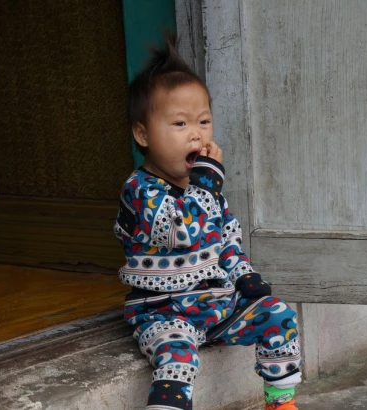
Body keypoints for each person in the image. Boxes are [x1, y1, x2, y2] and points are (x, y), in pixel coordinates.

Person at [114, 35, 302, 410]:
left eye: (204, 121)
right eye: (180, 123)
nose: (197, 133)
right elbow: (183, 231)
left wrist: (245, 278)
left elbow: (225, 237)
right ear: (142, 134)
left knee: (279, 316)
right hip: (163, 311)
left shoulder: (207, 186)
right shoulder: (140, 190)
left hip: (215, 306)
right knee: (177, 363)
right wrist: (205, 184)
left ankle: (280, 402)